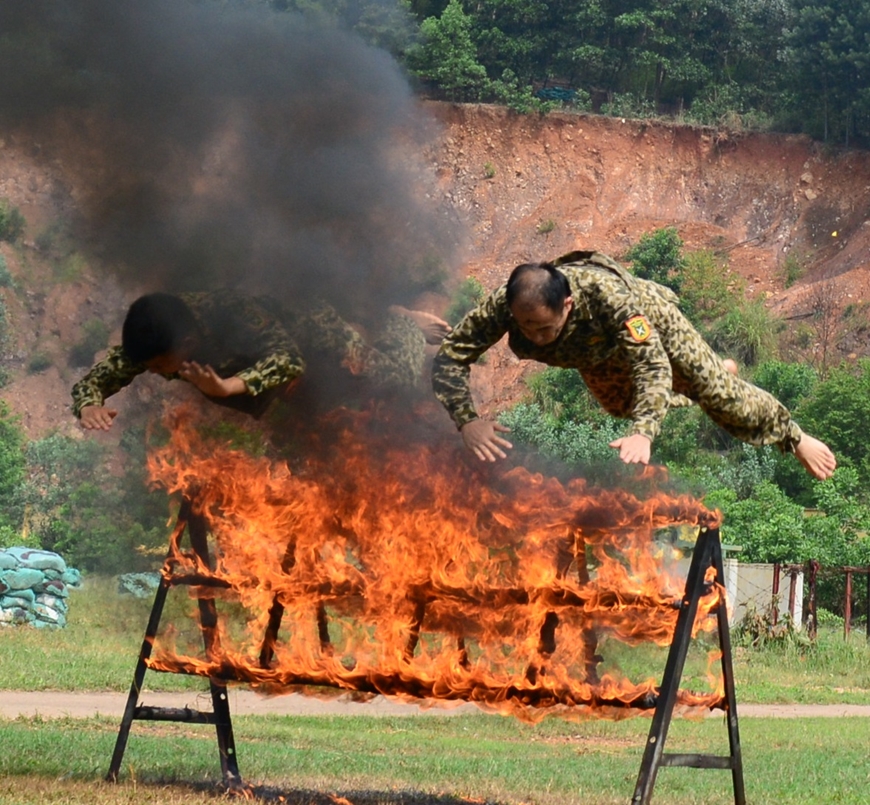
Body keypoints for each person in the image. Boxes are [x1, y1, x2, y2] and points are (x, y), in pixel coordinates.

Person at [431, 250, 837, 481]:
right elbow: (450, 355)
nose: (534, 336)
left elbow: (652, 366)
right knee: (620, 406)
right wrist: (466, 420)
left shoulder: (609, 298)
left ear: (567, 305)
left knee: (718, 395)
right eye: (525, 328)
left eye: (543, 327)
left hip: (655, 330)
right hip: (596, 352)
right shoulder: (503, 306)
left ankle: (794, 437)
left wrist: (644, 433)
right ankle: (694, 385)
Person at [72, 291, 451, 430]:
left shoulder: (235, 314)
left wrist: (226, 387)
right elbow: (100, 376)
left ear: (188, 343)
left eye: (158, 367)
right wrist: (90, 404)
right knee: (309, 417)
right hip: (266, 372)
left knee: (397, 377)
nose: (155, 373)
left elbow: (288, 358)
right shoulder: (155, 336)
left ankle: (401, 319)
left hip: (316, 337)